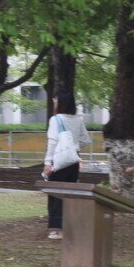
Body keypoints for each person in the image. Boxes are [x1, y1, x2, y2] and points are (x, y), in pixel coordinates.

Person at [42, 91, 91, 239]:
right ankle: (70, 227)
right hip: (73, 162)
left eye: (55, 99)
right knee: (70, 194)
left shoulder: (55, 119)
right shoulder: (78, 119)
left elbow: (52, 141)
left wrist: (47, 163)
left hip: (59, 162)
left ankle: (57, 230)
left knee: (56, 194)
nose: (53, 101)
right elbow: (85, 140)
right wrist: (73, 148)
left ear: (61, 101)